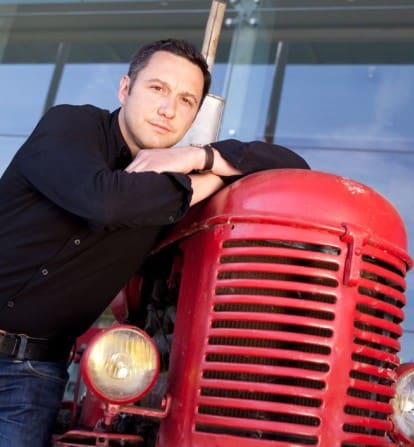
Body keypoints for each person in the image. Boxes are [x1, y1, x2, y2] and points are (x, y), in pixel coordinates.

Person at [0, 38, 309, 447]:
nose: (168, 110)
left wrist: (202, 159)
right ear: (125, 88)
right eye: (157, 89)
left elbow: (296, 168)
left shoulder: (174, 178)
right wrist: (201, 181)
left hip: (32, 375)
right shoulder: (70, 126)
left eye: (185, 100)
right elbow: (104, 202)